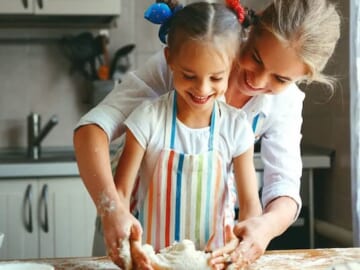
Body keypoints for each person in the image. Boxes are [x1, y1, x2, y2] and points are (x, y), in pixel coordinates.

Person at [73, 0, 341, 268]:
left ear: (301, 77)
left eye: (280, 79)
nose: (257, 81)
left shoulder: (282, 104)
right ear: (251, 30)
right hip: (131, 233)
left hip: (206, 249)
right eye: (256, 58)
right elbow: (93, 128)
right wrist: (112, 209)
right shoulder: (189, 60)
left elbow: (283, 186)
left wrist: (264, 228)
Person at [111, 2, 262, 268]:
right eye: (189, 75)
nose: (202, 89)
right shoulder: (147, 119)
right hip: (154, 263)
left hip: (215, 263)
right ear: (169, 58)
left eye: (216, 78)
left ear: (233, 65)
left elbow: (251, 206)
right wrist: (131, 245)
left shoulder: (236, 127)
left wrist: (242, 242)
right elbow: (120, 196)